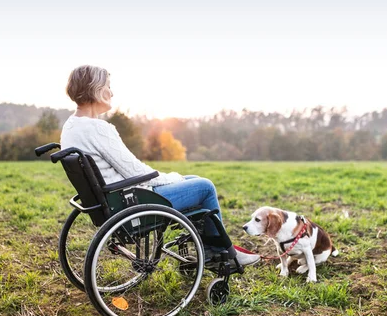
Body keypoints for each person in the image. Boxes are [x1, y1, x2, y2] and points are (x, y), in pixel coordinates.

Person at [60, 65, 260, 267]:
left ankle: (210, 248)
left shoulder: (71, 127)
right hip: (131, 202)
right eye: (108, 86)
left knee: (192, 180)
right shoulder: (97, 129)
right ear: (96, 88)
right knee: (205, 187)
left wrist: (177, 179)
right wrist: (173, 177)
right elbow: (135, 171)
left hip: (113, 199)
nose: (111, 92)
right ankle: (220, 252)